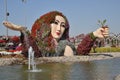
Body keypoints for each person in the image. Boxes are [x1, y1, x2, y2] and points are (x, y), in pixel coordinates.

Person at [3, 11, 109, 57]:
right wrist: (23, 31)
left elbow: (80, 53)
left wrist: (94, 35)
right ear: (46, 25)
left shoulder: (67, 44)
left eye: (63, 25)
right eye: (55, 23)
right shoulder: (40, 45)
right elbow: (34, 54)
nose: (59, 28)